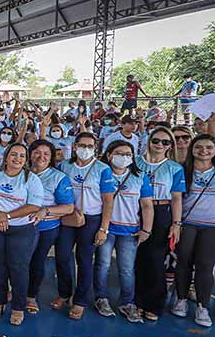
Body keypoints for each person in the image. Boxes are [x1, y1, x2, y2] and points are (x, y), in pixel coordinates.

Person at [0, 143, 44, 325]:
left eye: (22, 156)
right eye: (14, 154)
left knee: (18, 268)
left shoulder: (31, 179)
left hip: (22, 230)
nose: (17, 159)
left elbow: (34, 206)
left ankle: (17, 307)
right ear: (6, 157)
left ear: (26, 160)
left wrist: (6, 216)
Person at [56, 132, 116, 320]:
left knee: (84, 259)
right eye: (82, 145)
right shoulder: (65, 165)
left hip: (92, 219)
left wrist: (103, 228)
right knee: (62, 255)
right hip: (68, 217)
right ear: (74, 146)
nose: (86, 150)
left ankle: (80, 300)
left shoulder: (103, 169)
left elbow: (108, 201)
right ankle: (65, 293)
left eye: (90, 146)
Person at [93, 140, 153, 322]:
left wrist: (146, 230)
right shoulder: (100, 173)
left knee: (126, 269)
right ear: (109, 155)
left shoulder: (140, 177)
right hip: (107, 228)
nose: (124, 157)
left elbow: (147, 205)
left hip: (130, 230)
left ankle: (127, 302)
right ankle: (100, 298)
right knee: (102, 264)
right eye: (119, 153)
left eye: (128, 154)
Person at [135, 127, 184, 321]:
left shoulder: (174, 168)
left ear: (170, 146)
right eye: (156, 140)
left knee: (156, 260)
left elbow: (177, 198)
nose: (160, 145)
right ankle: (136, 301)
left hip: (161, 212)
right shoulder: (136, 162)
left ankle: (154, 304)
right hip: (136, 211)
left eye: (165, 142)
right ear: (149, 141)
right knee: (137, 259)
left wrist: (176, 223)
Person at [24, 140, 74, 314]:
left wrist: (45, 211)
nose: (41, 157)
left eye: (46, 154)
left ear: (52, 157)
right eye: (37, 152)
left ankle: (31, 296)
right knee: (17, 261)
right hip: (21, 227)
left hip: (46, 228)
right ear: (30, 154)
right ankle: (15, 290)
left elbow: (68, 207)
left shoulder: (58, 177)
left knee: (36, 261)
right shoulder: (21, 172)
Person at [172, 134, 215, 327]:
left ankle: (202, 306)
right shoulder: (183, 170)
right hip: (187, 224)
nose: (204, 151)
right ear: (192, 149)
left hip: (211, 227)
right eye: (199, 147)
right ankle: (181, 299)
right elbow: (177, 199)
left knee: (205, 266)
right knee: (183, 262)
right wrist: (177, 224)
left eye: (209, 147)